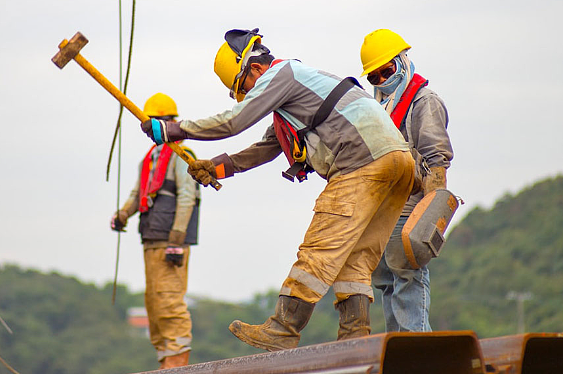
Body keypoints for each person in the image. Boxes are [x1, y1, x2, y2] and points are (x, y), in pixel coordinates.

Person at [141, 28, 414, 351]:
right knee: (356, 258)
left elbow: (234, 121)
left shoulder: (280, 74)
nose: (249, 96)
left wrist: (175, 129)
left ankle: (284, 328)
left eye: (244, 88)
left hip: (361, 162)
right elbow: (268, 147)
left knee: (318, 250)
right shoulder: (300, 86)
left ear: (255, 69)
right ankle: (354, 338)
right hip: (397, 162)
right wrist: (215, 167)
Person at [360, 29, 453, 332]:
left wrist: (429, 213)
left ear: (401, 62)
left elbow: (437, 158)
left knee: (407, 276)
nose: (383, 80)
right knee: (386, 279)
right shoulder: (379, 108)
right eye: (375, 77)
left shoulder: (424, 101)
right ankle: (398, 348)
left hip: (412, 206)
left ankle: (417, 350)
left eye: (387, 71)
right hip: (384, 208)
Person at [111, 93, 200, 368]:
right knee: (154, 304)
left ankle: (177, 360)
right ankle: (165, 358)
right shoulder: (149, 159)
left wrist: (177, 239)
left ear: (171, 123)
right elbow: (139, 193)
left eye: (160, 122)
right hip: (150, 238)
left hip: (170, 242)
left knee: (170, 302)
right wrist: (123, 214)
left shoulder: (181, 156)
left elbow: (187, 198)